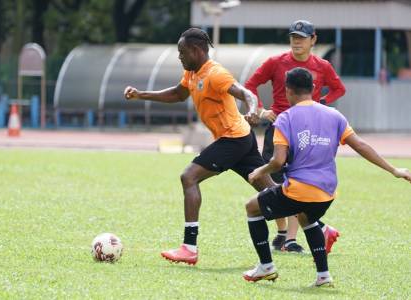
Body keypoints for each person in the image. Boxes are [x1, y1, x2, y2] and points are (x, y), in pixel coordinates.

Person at [242, 67, 411, 287]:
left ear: (288, 91)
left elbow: (277, 161)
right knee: (306, 217)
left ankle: (266, 266)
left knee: (251, 207)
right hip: (327, 193)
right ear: (313, 89)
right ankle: (323, 275)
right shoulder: (334, 115)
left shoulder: (285, 119)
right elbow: (360, 145)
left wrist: (259, 172)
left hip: (300, 190)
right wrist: (394, 170)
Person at [124, 28, 273, 265]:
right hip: (240, 139)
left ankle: (189, 247)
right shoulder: (192, 73)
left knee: (189, 177)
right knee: (272, 193)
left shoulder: (215, 73)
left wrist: (253, 111)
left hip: (233, 140)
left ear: (195, 50)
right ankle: (320, 228)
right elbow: (177, 94)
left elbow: (247, 95)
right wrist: (141, 95)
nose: (179, 57)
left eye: (181, 52)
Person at [245, 20, 346, 253]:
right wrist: (260, 110)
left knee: (297, 183)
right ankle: (293, 231)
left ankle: (290, 239)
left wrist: (321, 103)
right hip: (279, 127)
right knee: (270, 180)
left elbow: (339, 89)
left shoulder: (322, 66)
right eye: (293, 37)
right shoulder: (275, 62)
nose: (296, 41)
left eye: (302, 37)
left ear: (313, 40)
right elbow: (251, 84)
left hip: (306, 132)